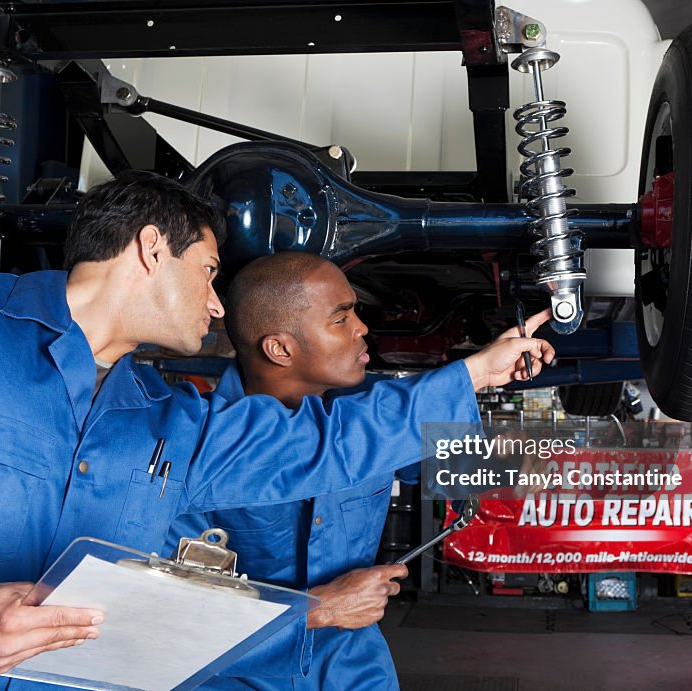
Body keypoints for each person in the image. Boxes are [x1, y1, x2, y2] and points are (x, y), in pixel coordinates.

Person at [0, 172, 554, 690]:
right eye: (208, 272)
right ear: (149, 250)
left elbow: (322, 443)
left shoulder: (173, 422)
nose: (221, 305)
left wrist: (476, 374)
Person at [170, 253, 553, 689]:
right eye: (341, 318)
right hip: (236, 673)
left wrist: (511, 466)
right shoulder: (196, 445)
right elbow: (173, 615)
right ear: (280, 348)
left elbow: (440, 468)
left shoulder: (376, 414)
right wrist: (319, 609)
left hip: (353, 667)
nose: (363, 328)